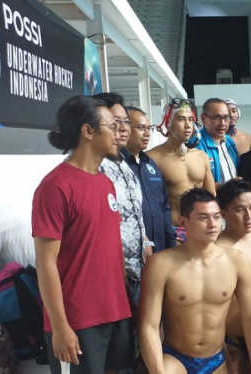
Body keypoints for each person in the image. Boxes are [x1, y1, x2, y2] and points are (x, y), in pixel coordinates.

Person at [32, 96, 133, 372]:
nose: (120, 132)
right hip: (77, 322)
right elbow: (46, 263)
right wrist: (60, 327)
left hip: (116, 313)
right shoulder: (55, 187)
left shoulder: (105, 182)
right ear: (87, 131)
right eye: (112, 126)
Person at [139, 188, 251, 374]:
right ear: (183, 222)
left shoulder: (237, 261)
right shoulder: (161, 264)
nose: (212, 224)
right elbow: (149, 326)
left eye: (216, 217)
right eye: (203, 218)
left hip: (216, 358)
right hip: (175, 358)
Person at [94, 92, 149, 306]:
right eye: (116, 122)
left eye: (126, 121)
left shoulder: (123, 164)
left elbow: (134, 216)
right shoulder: (94, 168)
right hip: (112, 277)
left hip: (138, 272)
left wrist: (146, 242)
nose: (124, 128)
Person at [216, 180, 251, 374]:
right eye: (240, 210)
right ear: (224, 214)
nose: (249, 216)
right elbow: (210, 309)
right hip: (231, 340)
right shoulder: (216, 252)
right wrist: (223, 350)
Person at [148, 98, 216, 244]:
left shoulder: (201, 156)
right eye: (181, 119)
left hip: (201, 228)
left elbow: (211, 197)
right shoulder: (153, 158)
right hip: (173, 231)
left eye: (190, 120)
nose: (187, 125)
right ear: (169, 123)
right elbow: (150, 204)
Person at [123, 106, 175, 253]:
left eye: (149, 128)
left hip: (160, 247)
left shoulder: (150, 164)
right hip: (131, 251)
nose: (147, 134)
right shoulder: (116, 166)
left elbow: (164, 207)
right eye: (140, 128)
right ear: (124, 128)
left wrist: (170, 244)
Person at [198, 98, 240, 188]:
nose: (222, 124)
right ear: (203, 118)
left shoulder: (229, 141)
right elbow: (193, 185)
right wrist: (225, 186)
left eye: (226, 118)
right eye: (216, 118)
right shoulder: (196, 146)